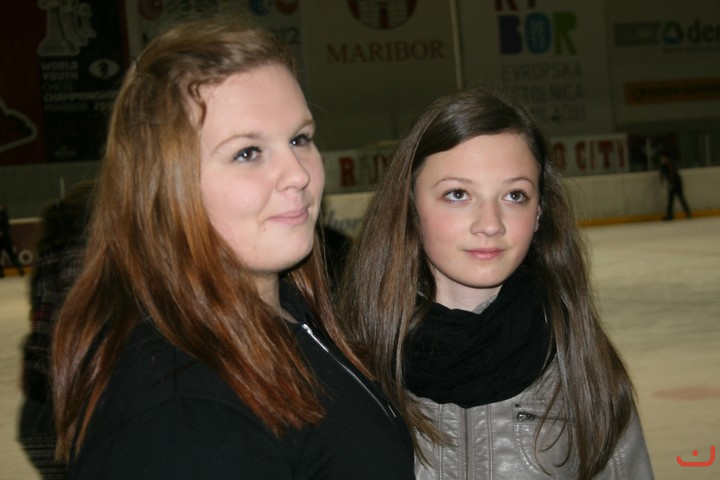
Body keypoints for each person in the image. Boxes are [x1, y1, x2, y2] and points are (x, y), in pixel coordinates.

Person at [51, 16, 415, 479]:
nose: (299, 173)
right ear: (165, 186)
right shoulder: (180, 415)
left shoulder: (288, 311)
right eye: (247, 152)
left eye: (300, 139)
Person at [339, 87, 654, 479]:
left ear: (539, 213)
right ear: (410, 206)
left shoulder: (582, 367)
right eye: (458, 194)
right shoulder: (350, 366)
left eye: (514, 195)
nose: (490, 224)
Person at [18, 181, 94, 480]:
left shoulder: (48, 260)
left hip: (36, 412)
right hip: (65, 418)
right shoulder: (81, 261)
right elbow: (80, 332)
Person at [658, 153, 691, 220]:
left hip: (676, 183)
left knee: (680, 198)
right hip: (671, 184)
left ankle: (687, 213)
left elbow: (673, 174)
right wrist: (661, 180)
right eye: (661, 158)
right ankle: (670, 215)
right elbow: (662, 173)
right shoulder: (662, 166)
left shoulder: (669, 164)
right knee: (670, 200)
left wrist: (671, 182)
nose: (662, 160)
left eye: (663, 158)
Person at [0, 203, 25, 277]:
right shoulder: (4, 213)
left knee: (12, 255)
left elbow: (5, 225)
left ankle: (19, 268)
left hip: (5, 238)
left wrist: (2, 232)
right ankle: (19, 268)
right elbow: (6, 226)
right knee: (12, 255)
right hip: (6, 238)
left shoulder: (3, 214)